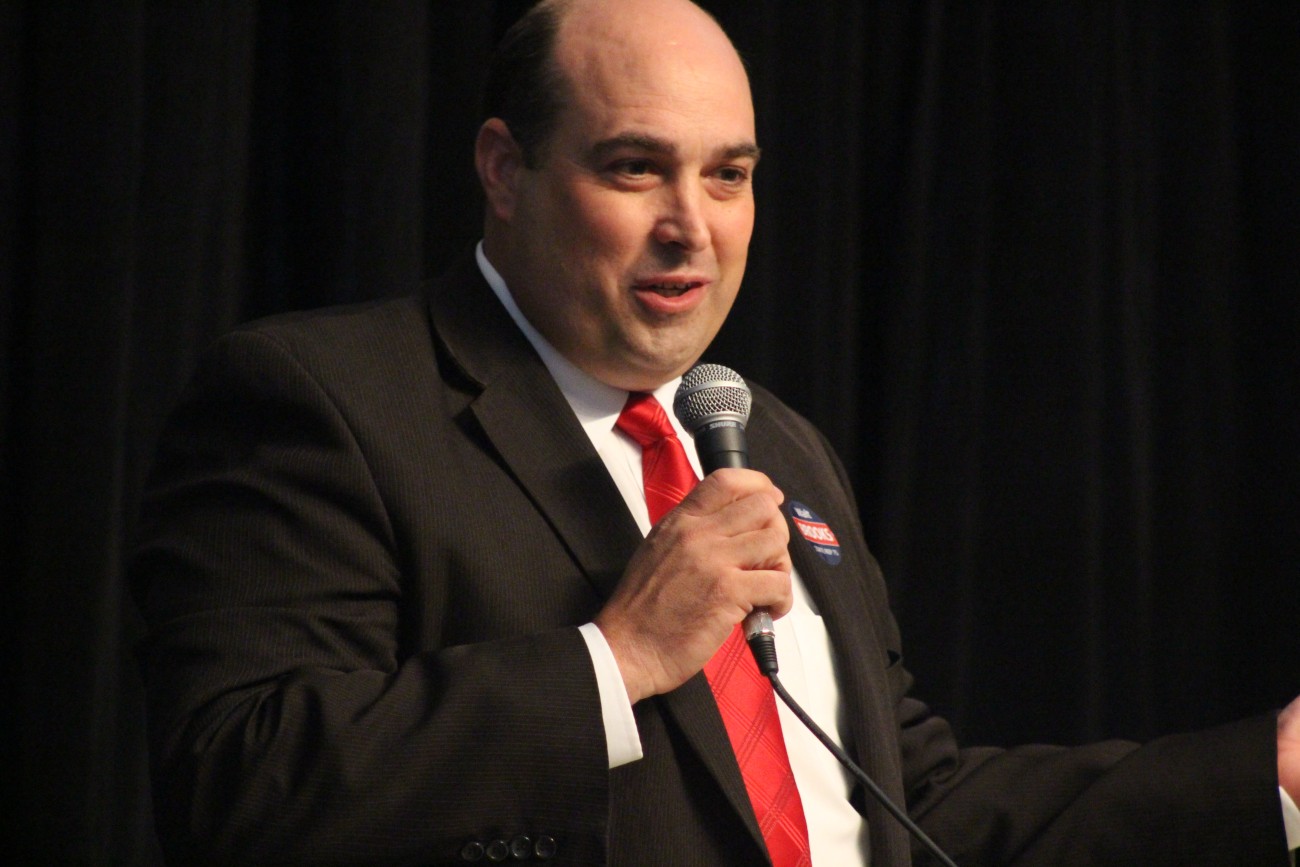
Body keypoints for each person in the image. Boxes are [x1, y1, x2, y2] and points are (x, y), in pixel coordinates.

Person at [130, 0, 1300, 864]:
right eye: (636, 170)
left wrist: (1267, 778)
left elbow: (905, 802)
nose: (692, 227)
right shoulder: (324, 401)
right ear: (504, 169)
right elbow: (242, 782)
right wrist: (618, 658)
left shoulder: (770, 445)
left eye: (728, 175)